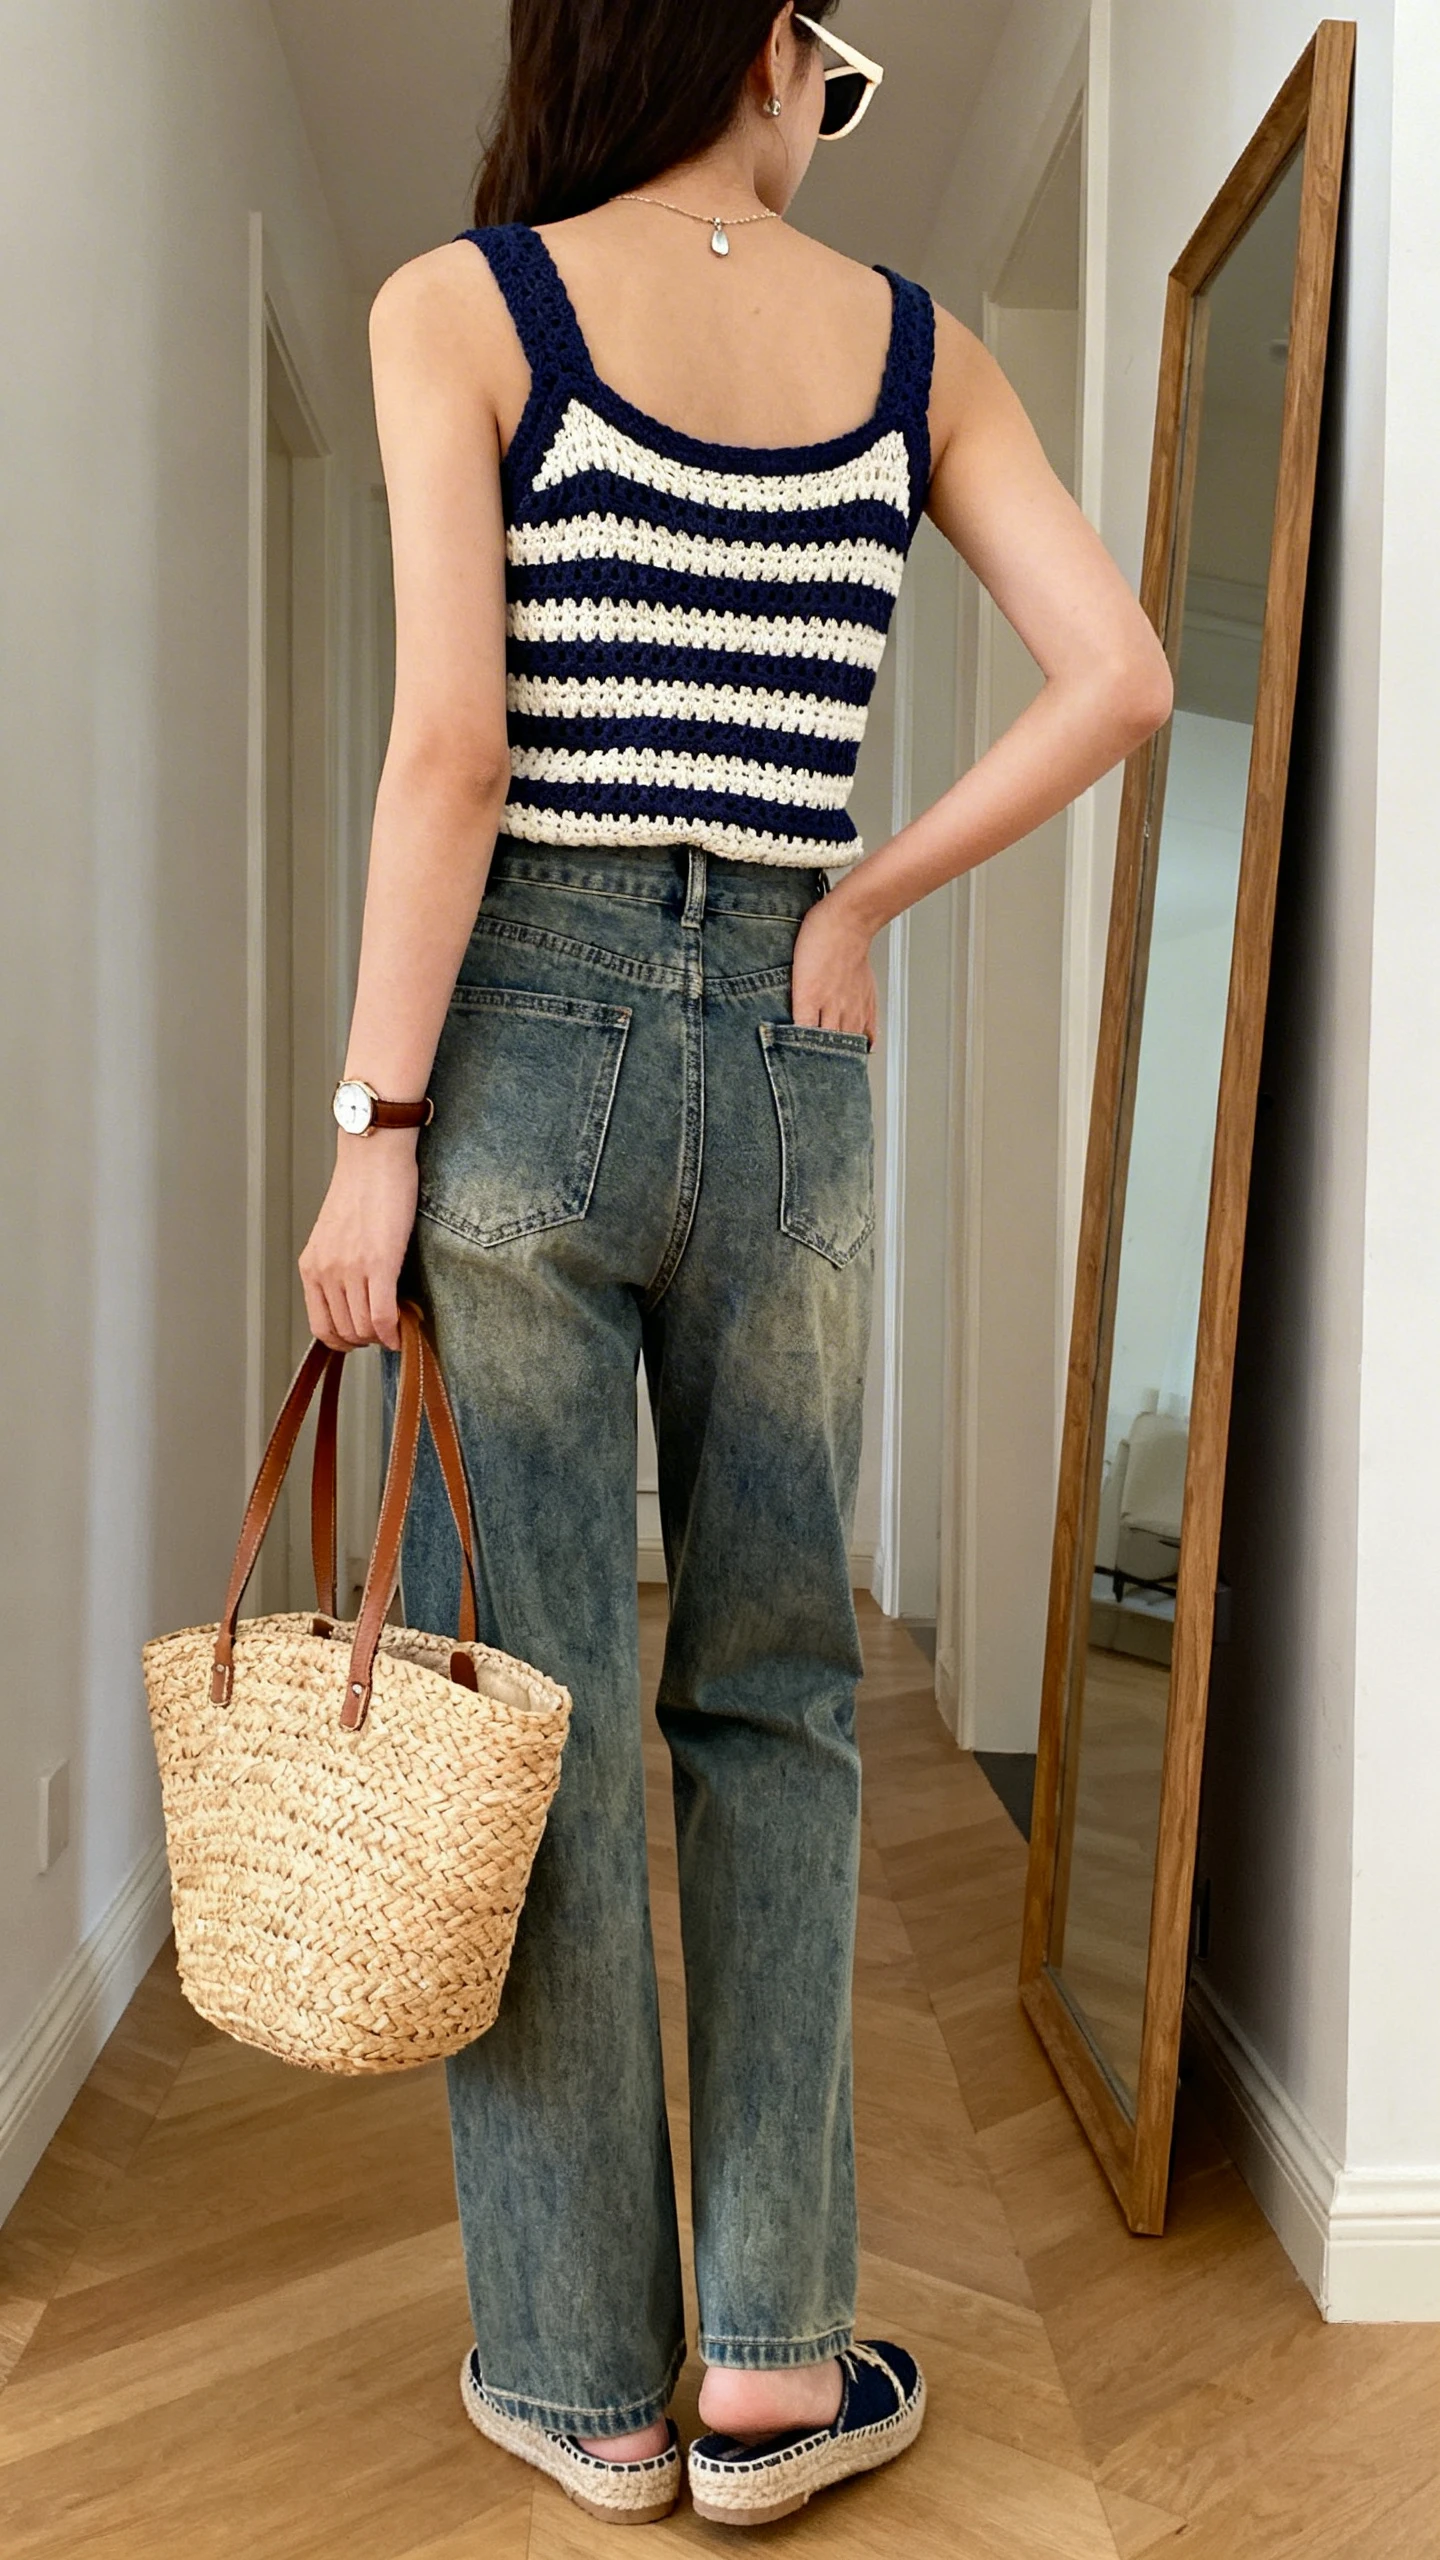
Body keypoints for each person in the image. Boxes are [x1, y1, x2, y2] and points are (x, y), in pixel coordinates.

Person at [300, 0, 1172, 2529]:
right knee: (776, 1700)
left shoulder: (469, 308)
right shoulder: (917, 350)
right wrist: (867, 881)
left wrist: (373, 1129)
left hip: (527, 1055)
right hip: (794, 1053)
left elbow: (455, 749)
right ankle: (779, 2365)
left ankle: (585, 2377)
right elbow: (1117, 673)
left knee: (535, 1714)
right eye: (838, 76)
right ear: (773, 50)